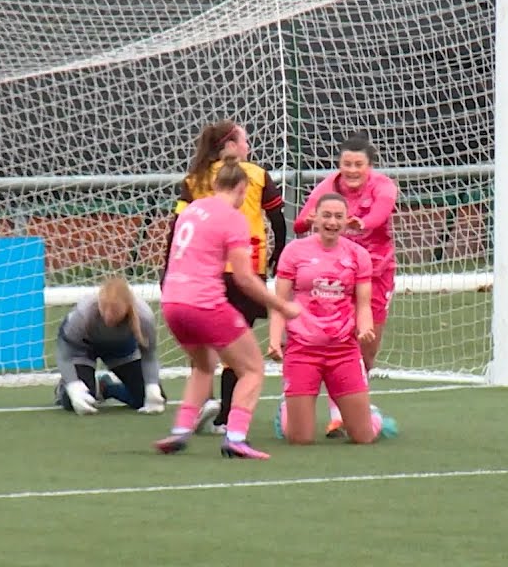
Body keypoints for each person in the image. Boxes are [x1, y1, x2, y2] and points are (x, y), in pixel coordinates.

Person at [154, 158, 301, 459]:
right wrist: (281, 306)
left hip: (172, 302)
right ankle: (236, 436)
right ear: (242, 188)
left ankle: (180, 431)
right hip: (203, 303)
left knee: (204, 365)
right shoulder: (234, 218)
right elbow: (245, 279)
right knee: (252, 368)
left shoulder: (192, 210)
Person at [168, 119, 287, 435]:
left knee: (204, 354)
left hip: (191, 282)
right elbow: (277, 220)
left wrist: (167, 272)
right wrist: (279, 260)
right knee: (245, 358)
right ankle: (230, 426)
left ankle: (189, 420)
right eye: (244, 140)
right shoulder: (255, 176)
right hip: (241, 271)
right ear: (231, 145)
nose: (248, 146)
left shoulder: (194, 181)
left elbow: (174, 229)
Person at [269, 192, 399, 445]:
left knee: (363, 437)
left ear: (347, 220)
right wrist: (275, 339)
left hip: (343, 350)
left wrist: (365, 329)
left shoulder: (357, 255)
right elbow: (279, 302)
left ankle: (371, 416)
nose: (332, 221)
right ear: (314, 219)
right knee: (300, 439)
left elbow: (363, 304)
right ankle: (286, 412)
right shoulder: (294, 252)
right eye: (326, 215)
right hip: (302, 349)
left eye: (338, 216)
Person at [292, 132, 397, 437]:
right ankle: (336, 412)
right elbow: (300, 221)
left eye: (358, 165)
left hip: (376, 273)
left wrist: (361, 223)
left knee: (367, 345)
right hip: (336, 276)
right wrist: (311, 219)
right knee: (334, 339)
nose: (351, 170)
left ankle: (356, 401)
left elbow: (379, 214)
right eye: (346, 164)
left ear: (369, 166)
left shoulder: (384, 187)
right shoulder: (327, 188)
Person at [54, 276, 176, 419]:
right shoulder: (83, 312)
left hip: (120, 348)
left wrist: (152, 386)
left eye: (115, 311)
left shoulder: (143, 316)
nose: (108, 316)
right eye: (104, 309)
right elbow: (64, 353)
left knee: (148, 398)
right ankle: (63, 389)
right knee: (75, 402)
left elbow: (149, 355)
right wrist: (73, 386)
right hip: (82, 349)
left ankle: (105, 387)